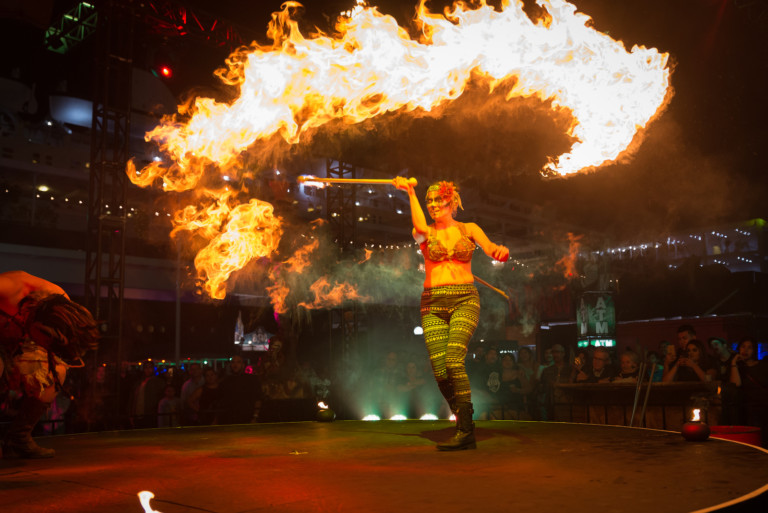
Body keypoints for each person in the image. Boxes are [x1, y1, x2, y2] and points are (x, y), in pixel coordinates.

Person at [394, 178, 508, 451]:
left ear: (452, 202)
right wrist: (410, 192)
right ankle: (463, 416)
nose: (433, 206)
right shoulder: (424, 233)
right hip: (432, 303)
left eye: (438, 201)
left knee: (454, 360)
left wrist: (500, 253)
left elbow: (491, 248)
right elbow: (420, 227)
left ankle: (466, 429)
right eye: (429, 201)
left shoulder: (469, 229)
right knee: (440, 369)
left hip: (464, 300)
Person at [0, 270, 98, 458]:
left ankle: (18, 438)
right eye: (49, 341)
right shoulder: (10, 288)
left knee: (55, 373)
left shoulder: (60, 305)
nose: (48, 346)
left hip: (22, 339)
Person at [729, 337, 768, 446]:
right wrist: (734, 363)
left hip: (764, 405)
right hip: (750, 407)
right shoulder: (740, 368)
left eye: (749, 347)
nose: (745, 350)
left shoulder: (763, 365)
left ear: (754, 350)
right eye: (743, 347)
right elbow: (736, 384)